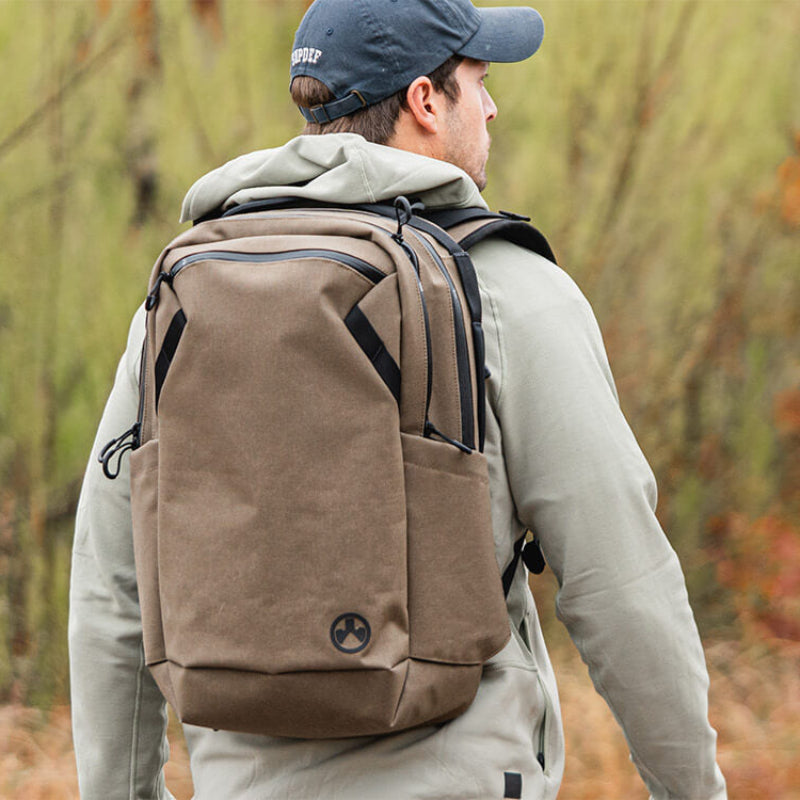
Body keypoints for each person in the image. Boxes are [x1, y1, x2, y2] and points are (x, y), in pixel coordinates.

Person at [69, 1, 728, 798]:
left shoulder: (182, 302)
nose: (492, 107)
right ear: (425, 101)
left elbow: (112, 591)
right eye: (477, 81)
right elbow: (622, 585)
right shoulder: (510, 292)